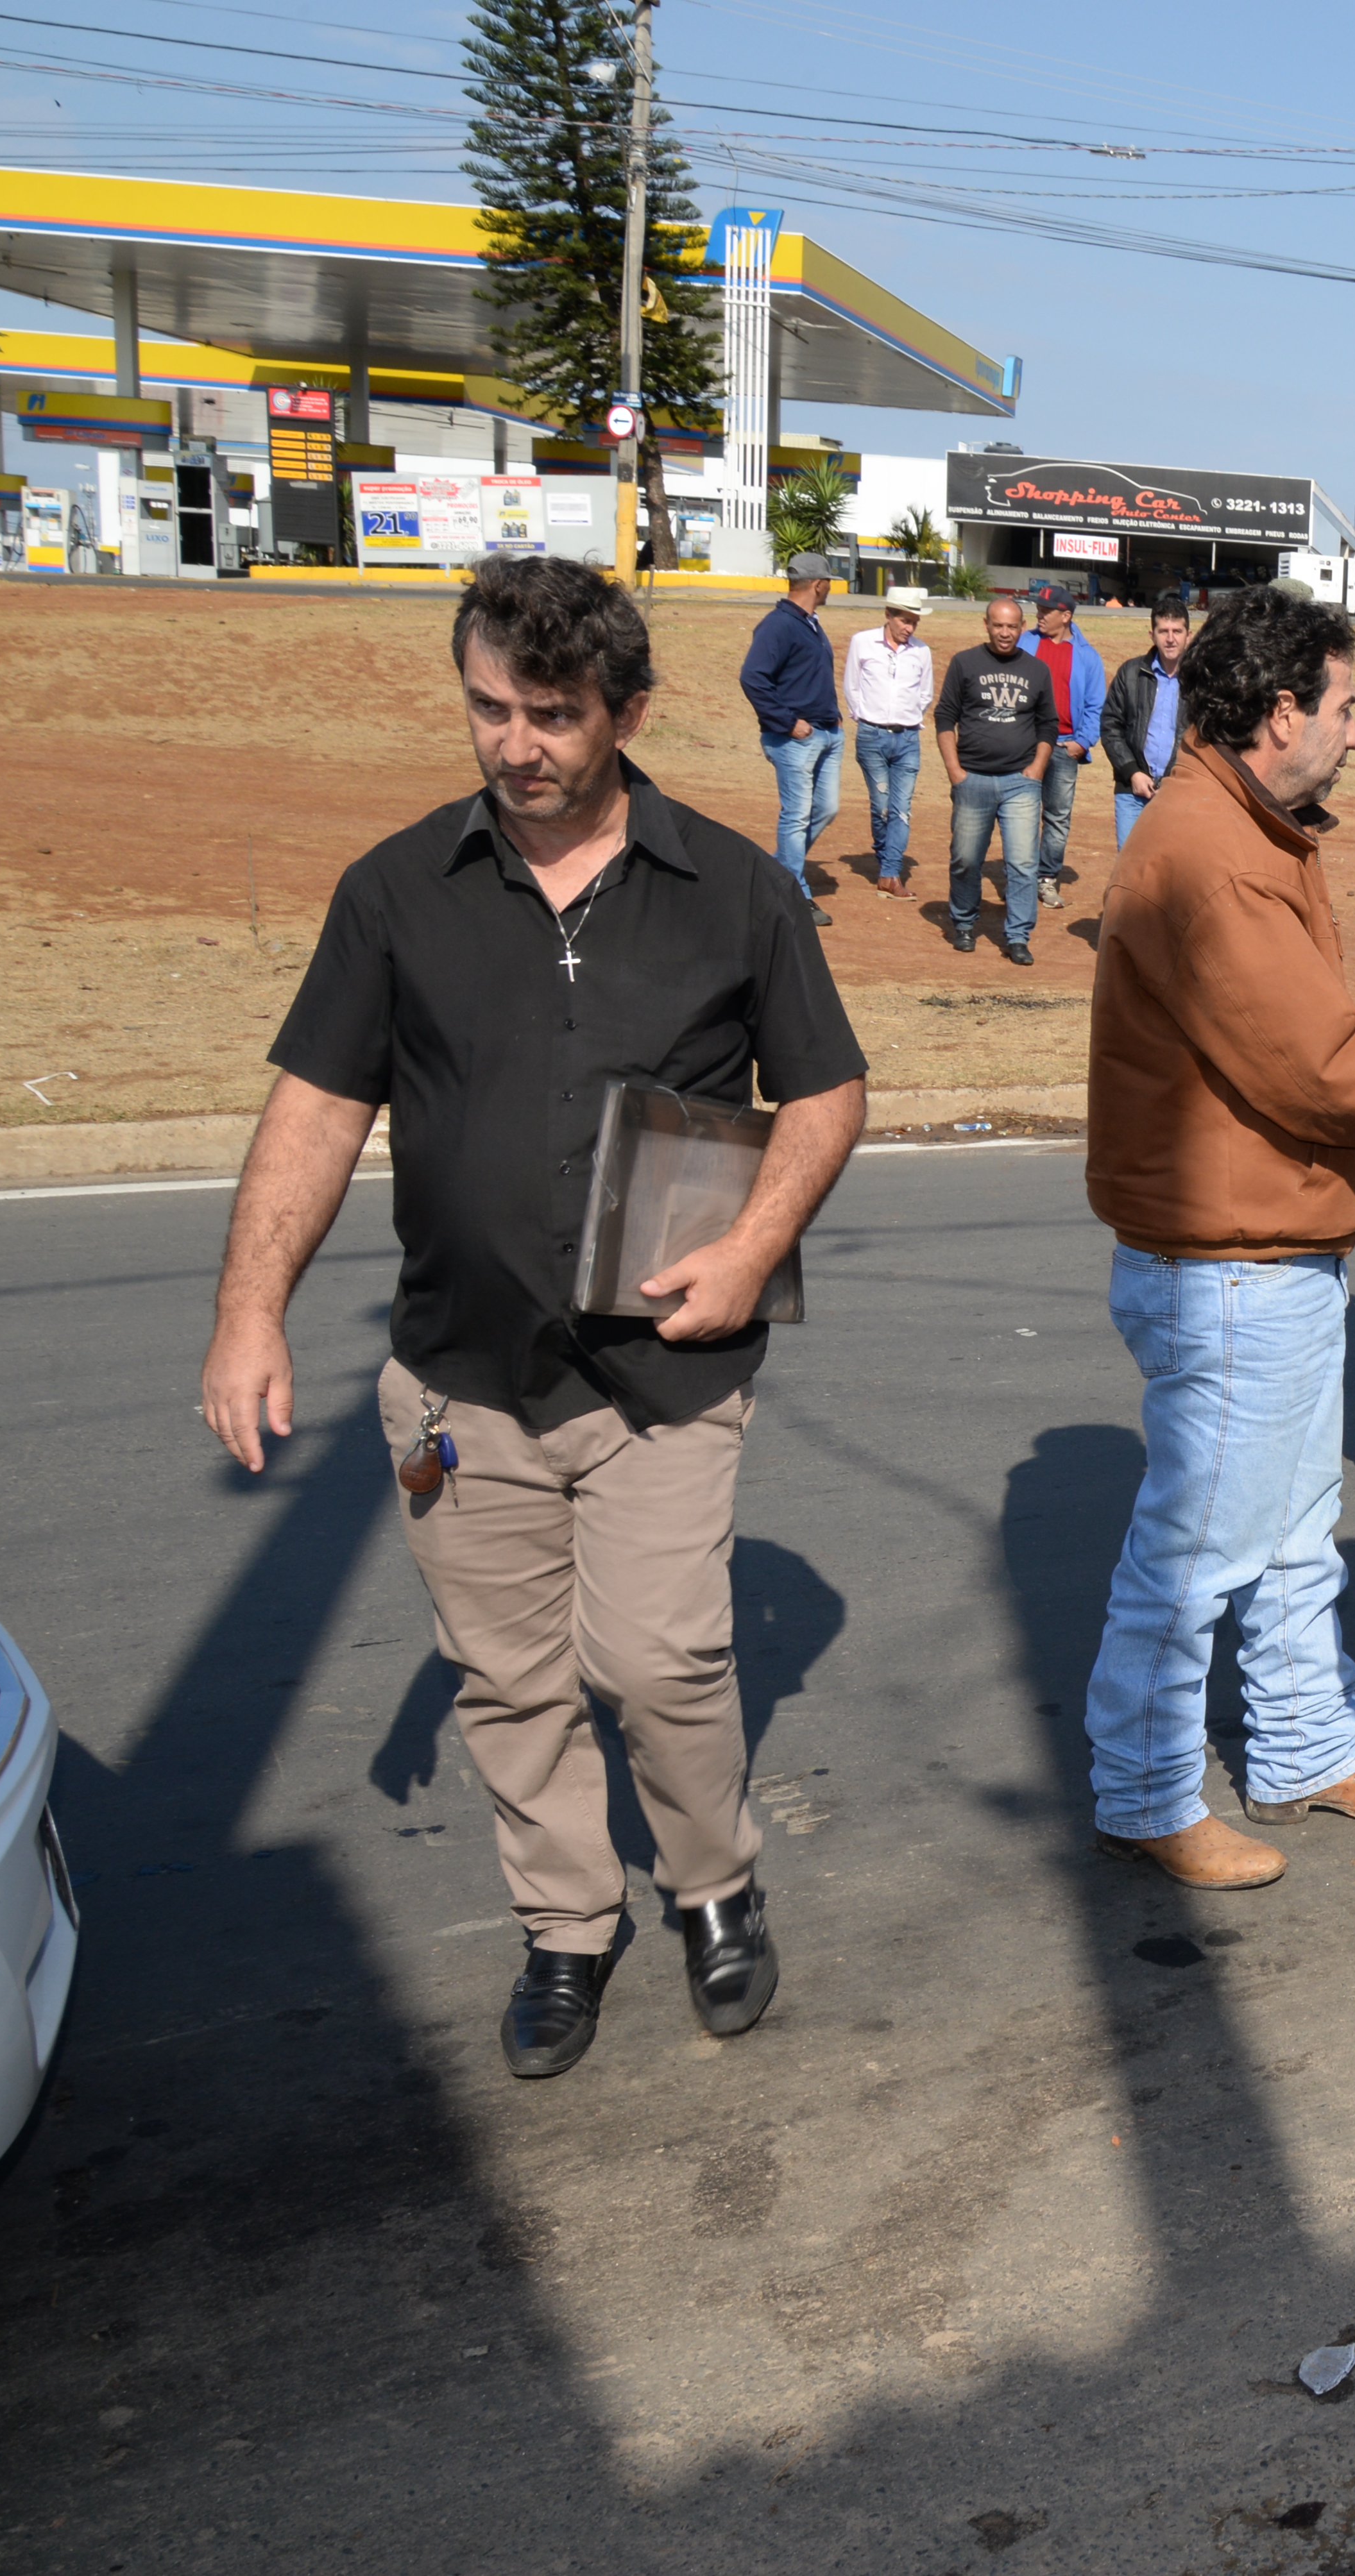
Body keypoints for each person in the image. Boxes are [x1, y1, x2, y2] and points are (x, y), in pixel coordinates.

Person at [198, 554, 868, 2081]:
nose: (516, 743)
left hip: (663, 1377)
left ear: (626, 712)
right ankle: (569, 1923)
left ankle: (712, 1883)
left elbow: (826, 1090)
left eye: (553, 714)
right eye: (491, 707)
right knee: (505, 1674)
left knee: (661, 1662)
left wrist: (755, 1243)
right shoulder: (394, 893)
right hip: (456, 1377)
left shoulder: (736, 891)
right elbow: (312, 1108)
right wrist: (251, 1313)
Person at [1078, 589, 1355, 1893]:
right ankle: (1141, 1787)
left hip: (1265, 1251)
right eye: (1345, 706)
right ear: (1279, 714)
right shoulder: (1209, 853)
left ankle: (1308, 1745)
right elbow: (1323, 1071)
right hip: (1228, 1264)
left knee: (1292, 1528)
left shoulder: (1237, 826)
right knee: (1201, 1547)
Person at [935, 597, 1053, 964]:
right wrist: (956, 772)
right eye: (998, 625)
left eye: (1012, 626)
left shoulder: (1037, 669)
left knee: (1022, 863)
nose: (1005, 633)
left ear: (1022, 627)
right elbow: (944, 718)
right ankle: (965, 924)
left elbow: (1048, 724)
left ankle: (1018, 936)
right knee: (966, 859)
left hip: (1021, 782)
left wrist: (1036, 769)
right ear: (986, 625)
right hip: (973, 780)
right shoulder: (964, 663)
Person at [739, 550, 842, 924]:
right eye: (829, 582)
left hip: (826, 733)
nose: (830, 588)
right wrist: (786, 722)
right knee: (796, 816)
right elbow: (753, 677)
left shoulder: (809, 623)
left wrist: (834, 720)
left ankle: (776, 870)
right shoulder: (779, 625)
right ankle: (794, 893)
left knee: (826, 808)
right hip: (795, 739)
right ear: (818, 584)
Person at [843, 584, 935, 893]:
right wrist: (866, 717)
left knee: (902, 808)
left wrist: (906, 717)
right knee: (881, 805)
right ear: (888, 615)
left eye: (914, 622)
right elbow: (852, 687)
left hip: (908, 739)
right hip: (872, 736)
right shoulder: (862, 643)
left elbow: (925, 694)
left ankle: (890, 872)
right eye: (904, 621)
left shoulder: (922, 652)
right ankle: (887, 863)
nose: (909, 628)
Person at [1028, 585, 1108, 911]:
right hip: (1027, 744)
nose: (1040, 615)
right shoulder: (1027, 643)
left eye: (1047, 611)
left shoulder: (1087, 656)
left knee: (1058, 817)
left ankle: (1046, 878)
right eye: (1039, 609)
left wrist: (1082, 742)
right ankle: (1022, 877)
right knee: (1022, 813)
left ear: (1066, 616)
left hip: (1064, 747)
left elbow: (1095, 706)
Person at [1099, 592, 1195, 848]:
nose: (1171, 638)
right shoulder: (1130, 673)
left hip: (1182, 794)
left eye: (1177, 631)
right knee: (1131, 872)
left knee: (1174, 872)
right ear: (1152, 635)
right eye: (1164, 631)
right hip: (1132, 792)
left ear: (1189, 635)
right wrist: (1132, 773)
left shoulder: (1201, 681)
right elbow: (1110, 726)